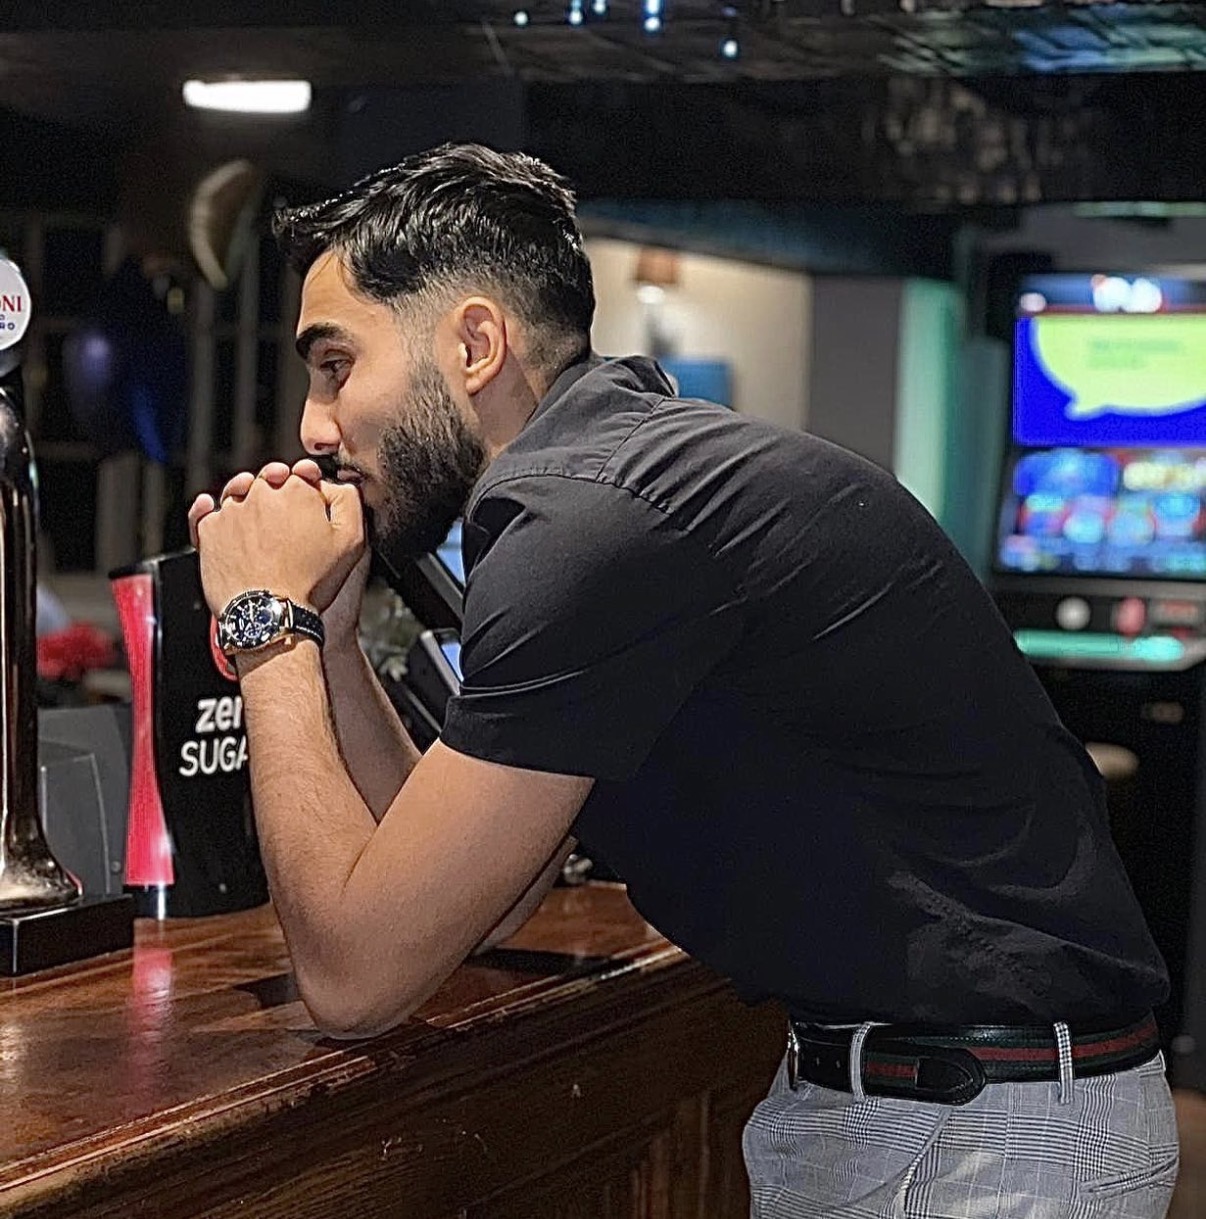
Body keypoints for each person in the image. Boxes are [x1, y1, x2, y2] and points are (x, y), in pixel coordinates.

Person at [189, 143, 1178, 1218]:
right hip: (939, 1104)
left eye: (335, 365)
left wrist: (267, 629)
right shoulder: (621, 486)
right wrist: (328, 638)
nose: (312, 426)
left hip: (979, 1130)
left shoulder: (586, 524)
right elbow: (483, 890)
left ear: (475, 343)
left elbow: (355, 978)